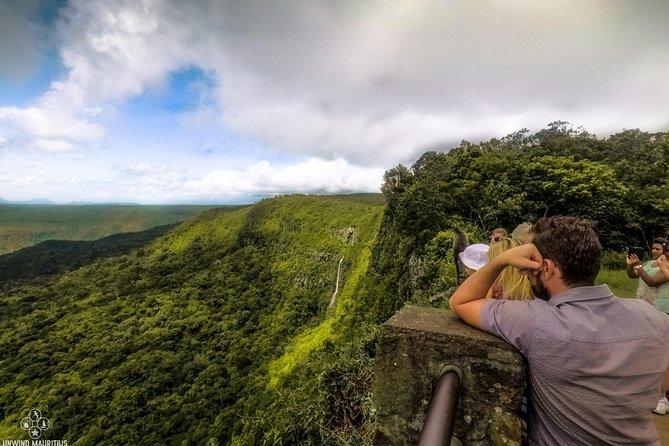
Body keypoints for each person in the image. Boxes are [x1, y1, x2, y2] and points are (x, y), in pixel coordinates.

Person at [450, 216, 669, 445]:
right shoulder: (654, 318)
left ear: (546, 267)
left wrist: (500, 261)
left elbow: (461, 302)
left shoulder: (536, 321)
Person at [627, 238, 669, 310]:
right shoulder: (648, 263)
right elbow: (632, 275)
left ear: (665, 251)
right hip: (642, 304)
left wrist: (638, 265)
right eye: (653, 248)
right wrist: (631, 266)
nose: (654, 251)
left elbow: (652, 282)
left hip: (659, 307)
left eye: (657, 249)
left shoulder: (667, 266)